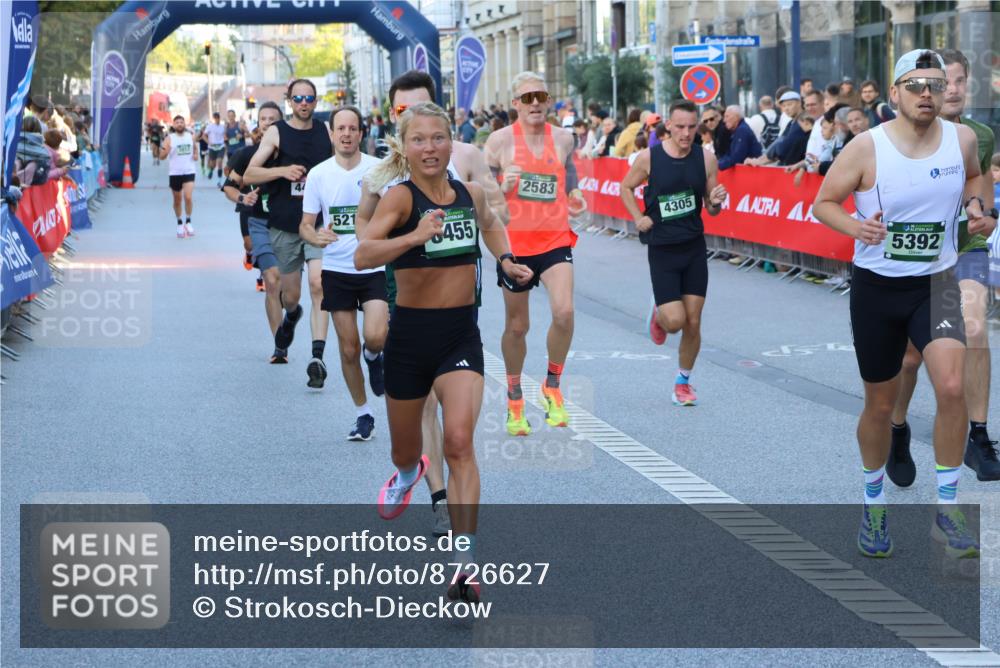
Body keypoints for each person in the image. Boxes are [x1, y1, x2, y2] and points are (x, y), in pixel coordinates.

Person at [813, 49, 990, 559]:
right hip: (878, 289)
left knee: (953, 387)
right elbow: (823, 202)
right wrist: (857, 227)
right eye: (916, 85)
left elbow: (977, 175)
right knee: (880, 404)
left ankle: (948, 509)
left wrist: (979, 206)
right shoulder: (867, 148)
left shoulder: (961, 141)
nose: (928, 94)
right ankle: (873, 505)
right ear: (894, 95)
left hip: (937, 282)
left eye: (935, 85)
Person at [355, 102, 533, 603]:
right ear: (404, 146)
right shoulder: (398, 198)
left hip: (460, 334)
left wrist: (507, 260)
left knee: (458, 442)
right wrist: (414, 234)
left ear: (451, 142)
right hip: (409, 338)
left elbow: (492, 225)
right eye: (419, 140)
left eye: (438, 138)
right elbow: (364, 251)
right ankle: (409, 473)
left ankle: (465, 559)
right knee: (407, 449)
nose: (429, 148)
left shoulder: (469, 193)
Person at [888, 48, 1000, 485]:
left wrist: (982, 211)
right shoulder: (904, 135)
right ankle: (897, 428)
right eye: (941, 82)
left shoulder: (980, 135)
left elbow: (984, 190)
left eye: (958, 82)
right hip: (922, 257)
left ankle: (979, 435)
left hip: (968, 249)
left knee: (974, 328)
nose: (950, 90)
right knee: (911, 358)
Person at [484, 71, 588, 436]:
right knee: (518, 326)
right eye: (526, 98)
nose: (534, 104)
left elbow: (570, 176)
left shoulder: (563, 138)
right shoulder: (497, 142)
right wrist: (502, 185)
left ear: (548, 101)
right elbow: (483, 197)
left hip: (555, 238)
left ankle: (552, 386)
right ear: (515, 104)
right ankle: (514, 396)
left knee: (565, 312)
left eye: (539, 97)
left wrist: (576, 196)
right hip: (516, 244)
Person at [620, 100, 728, 407]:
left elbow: (712, 207)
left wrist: (717, 200)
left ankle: (683, 382)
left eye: (692, 127)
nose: (686, 133)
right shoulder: (648, 158)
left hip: (693, 246)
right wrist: (637, 217)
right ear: (668, 125)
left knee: (693, 321)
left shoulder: (706, 159)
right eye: (680, 127)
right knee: (675, 322)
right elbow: (625, 187)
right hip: (662, 248)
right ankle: (660, 313)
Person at [298, 106, 387, 440]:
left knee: (376, 334)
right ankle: (363, 413)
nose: (347, 134)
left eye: (353, 128)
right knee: (347, 348)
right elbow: (306, 225)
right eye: (341, 128)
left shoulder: (378, 169)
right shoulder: (319, 174)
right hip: (336, 268)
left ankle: (374, 355)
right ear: (331, 134)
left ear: (361, 133)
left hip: (374, 264)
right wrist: (315, 235)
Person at [244, 79, 334, 370]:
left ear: (316, 102)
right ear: (289, 102)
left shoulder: (325, 131)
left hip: (318, 223)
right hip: (285, 225)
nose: (304, 103)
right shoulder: (276, 132)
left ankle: (317, 356)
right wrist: (282, 171)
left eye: (309, 98)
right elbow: (249, 175)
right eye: (298, 99)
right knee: (291, 296)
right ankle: (292, 315)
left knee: (319, 283)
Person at [223, 102, 284, 293]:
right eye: (263, 119)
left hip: (283, 218)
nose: (267, 123)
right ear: (258, 123)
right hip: (253, 211)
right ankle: (259, 267)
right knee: (251, 245)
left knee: (286, 282)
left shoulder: (290, 154)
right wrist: (243, 198)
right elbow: (228, 187)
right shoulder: (246, 154)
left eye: (272, 119)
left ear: (281, 123)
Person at [158, 114, 198, 238]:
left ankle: (189, 221)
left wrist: (196, 155)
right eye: (177, 122)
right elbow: (161, 156)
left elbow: (195, 149)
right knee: (177, 199)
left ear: (184, 124)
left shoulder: (190, 137)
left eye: (181, 122)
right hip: (175, 173)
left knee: (188, 197)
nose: (180, 124)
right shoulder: (169, 139)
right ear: (174, 125)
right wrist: (166, 151)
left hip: (189, 171)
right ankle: (179, 222)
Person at [717, 105, 762, 170]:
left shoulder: (742, 130)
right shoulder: (738, 130)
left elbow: (737, 157)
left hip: (751, 173)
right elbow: (730, 154)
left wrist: (717, 165)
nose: (724, 120)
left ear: (736, 117)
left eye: (727, 116)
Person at [203, 112, 227, 186]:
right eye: (215, 118)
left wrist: (226, 140)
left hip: (221, 146)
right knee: (213, 164)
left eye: (218, 118)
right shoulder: (210, 126)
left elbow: (225, 136)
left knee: (219, 162)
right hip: (212, 147)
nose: (217, 119)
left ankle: (219, 181)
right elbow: (204, 135)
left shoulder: (223, 127)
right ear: (213, 119)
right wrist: (208, 142)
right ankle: (211, 170)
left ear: (219, 118)